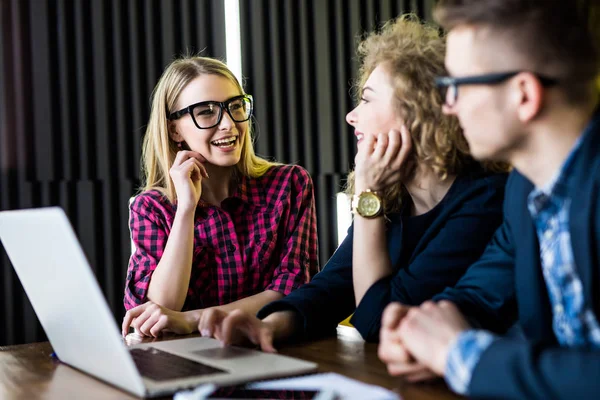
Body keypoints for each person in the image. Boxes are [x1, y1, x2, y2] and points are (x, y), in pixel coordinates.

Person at [193, 15, 508, 349]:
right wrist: (269, 326)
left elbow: (381, 322)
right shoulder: (393, 195)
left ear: (419, 113)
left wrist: (367, 199)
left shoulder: (485, 200)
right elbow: (332, 288)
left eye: (368, 99)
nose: (351, 115)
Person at [378, 1, 600, 399]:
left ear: (524, 95)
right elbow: (480, 294)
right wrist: (420, 328)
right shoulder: (524, 191)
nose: (448, 106)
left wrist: (458, 354)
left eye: (457, 85)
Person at [121, 56, 319, 337]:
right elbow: (155, 312)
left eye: (235, 106)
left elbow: (293, 289)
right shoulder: (151, 208)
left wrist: (191, 319)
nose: (228, 123)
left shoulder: (289, 185)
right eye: (206, 112)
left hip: (273, 352)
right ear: (174, 129)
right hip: (186, 367)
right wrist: (186, 209)